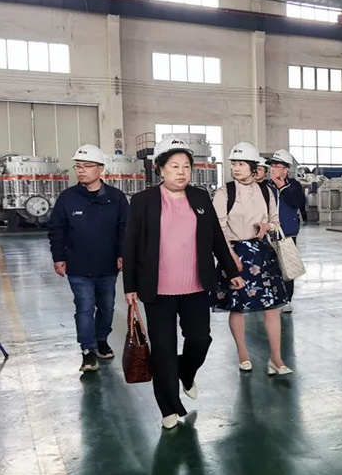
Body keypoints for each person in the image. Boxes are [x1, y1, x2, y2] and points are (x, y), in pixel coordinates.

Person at [123, 137, 242, 430]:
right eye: (174, 166)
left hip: (196, 287)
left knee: (200, 339)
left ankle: (186, 372)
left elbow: (216, 239)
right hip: (158, 289)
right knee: (163, 349)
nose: (181, 172)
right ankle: (169, 407)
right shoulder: (143, 201)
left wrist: (231, 271)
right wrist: (130, 286)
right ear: (160, 169)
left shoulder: (200, 198)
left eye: (186, 166)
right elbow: (131, 245)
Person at [48, 144, 129, 373]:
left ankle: (101, 339)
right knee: (84, 308)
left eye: (87, 166)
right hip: (78, 266)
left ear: (101, 169)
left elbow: (125, 229)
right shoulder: (68, 198)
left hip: (107, 265)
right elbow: (56, 230)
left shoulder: (116, 198)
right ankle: (88, 351)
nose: (81, 170)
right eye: (78, 166)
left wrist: (123, 253)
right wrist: (58, 257)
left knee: (107, 307)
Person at [213, 142, 292, 375]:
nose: (236, 168)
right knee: (237, 307)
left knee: (272, 307)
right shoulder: (225, 192)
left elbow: (276, 222)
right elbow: (218, 228)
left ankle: (276, 358)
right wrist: (229, 258)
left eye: (241, 164)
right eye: (234, 164)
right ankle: (242, 353)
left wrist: (267, 226)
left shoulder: (266, 192)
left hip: (262, 254)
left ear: (253, 167)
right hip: (234, 252)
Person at [267, 149, 307, 314]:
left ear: (286, 170)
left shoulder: (294, 186)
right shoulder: (266, 186)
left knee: (287, 268)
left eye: (277, 166)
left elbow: (297, 203)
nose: (273, 169)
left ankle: (286, 300)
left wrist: (282, 187)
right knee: (268, 268)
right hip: (267, 234)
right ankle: (269, 299)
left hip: (287, 235)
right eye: (272, 166)